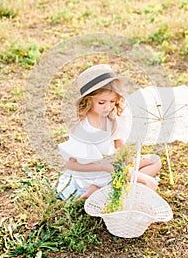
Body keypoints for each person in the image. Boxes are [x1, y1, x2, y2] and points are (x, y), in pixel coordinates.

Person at [57, 64, 162, 199]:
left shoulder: (110, 118)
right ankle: (110, 188)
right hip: (96, 172)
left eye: (112, 101)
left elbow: (118, 142)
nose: (108, 106)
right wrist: (110, 167)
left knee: (155, 160)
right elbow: (77, 164)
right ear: (88, 101)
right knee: (149, 182)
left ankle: (106, 189)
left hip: (113, 164)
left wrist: (127, 155)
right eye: (101, 102)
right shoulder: (83, 130)